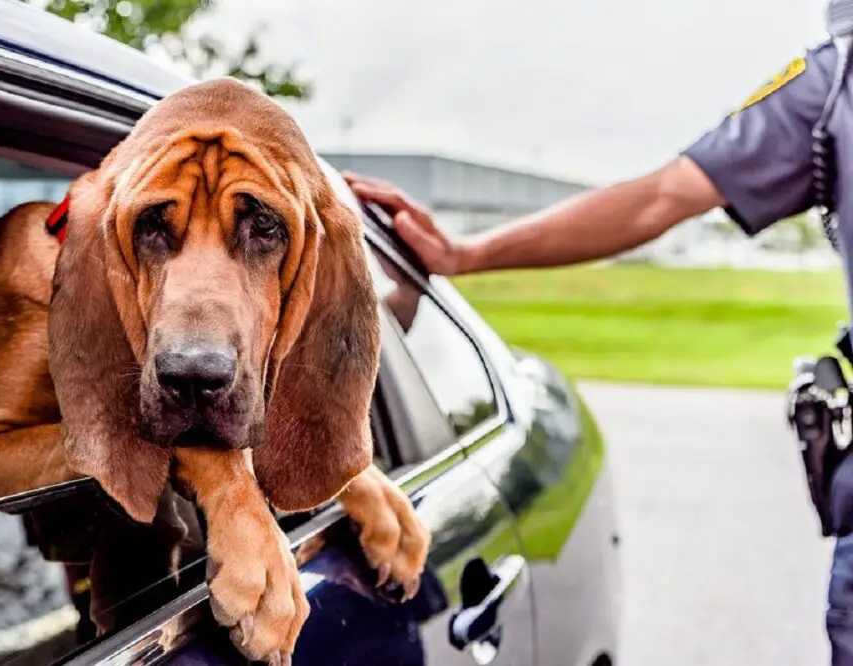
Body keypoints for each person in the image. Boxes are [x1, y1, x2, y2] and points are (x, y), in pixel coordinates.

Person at [344, 17, 853, 665]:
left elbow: (663, 197)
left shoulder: (836, 81)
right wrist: (465, 255)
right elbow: (663, 195)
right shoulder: (835, 83)